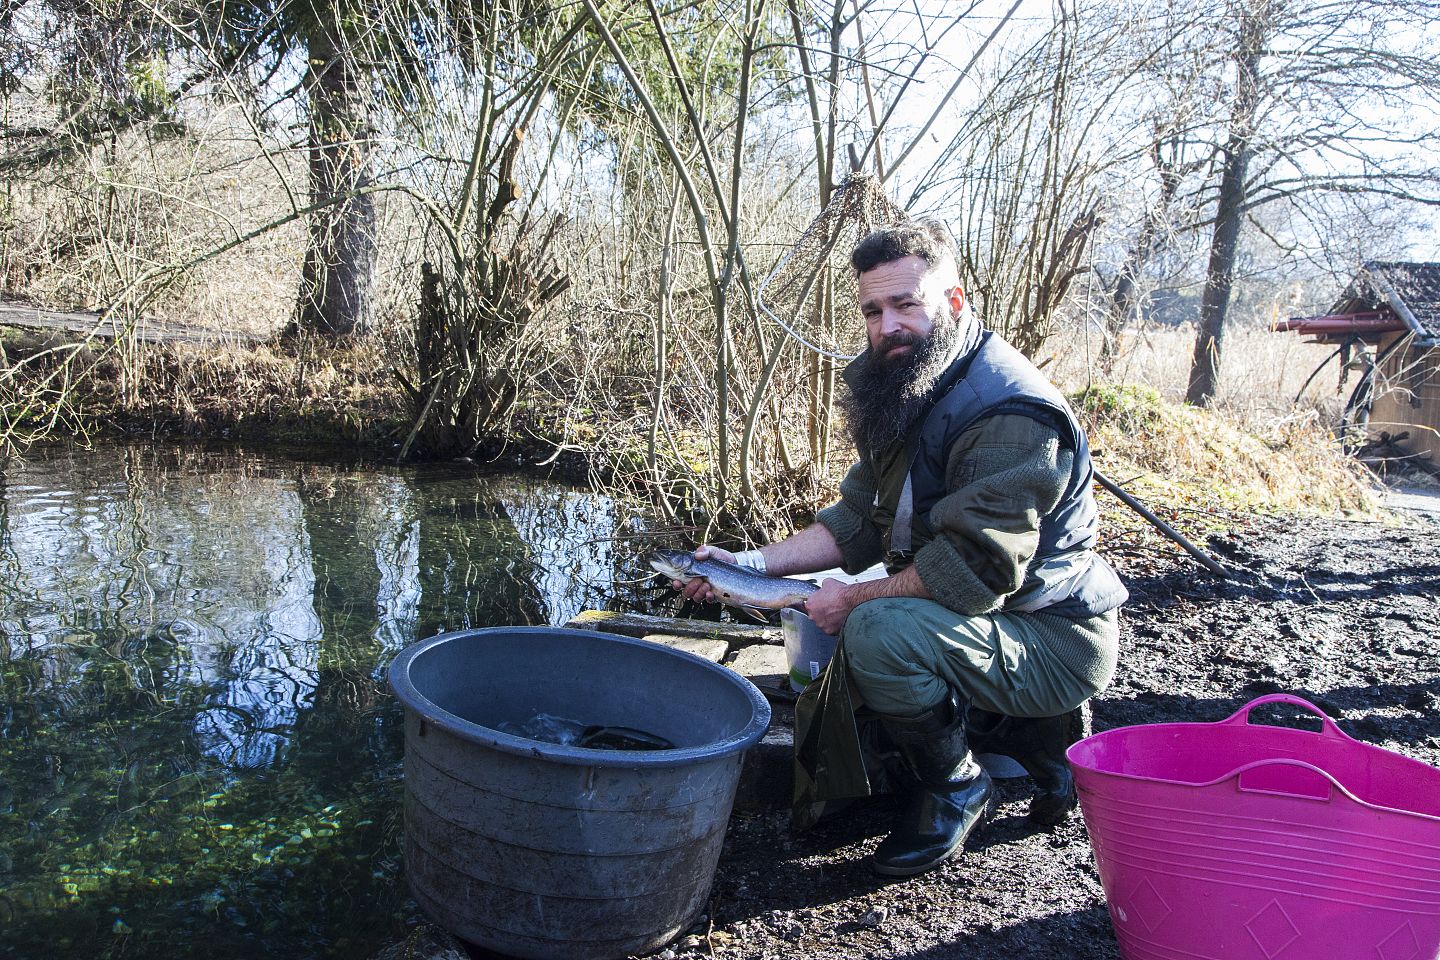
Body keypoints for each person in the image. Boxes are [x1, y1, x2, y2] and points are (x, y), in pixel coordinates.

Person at [678, 220, 1127, 877]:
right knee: (872, 621)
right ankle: (1026, 733)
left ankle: (957, 783)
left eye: (906, 304)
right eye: (873, 310)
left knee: (879, 628)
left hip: (1057, 638)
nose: (888, 325)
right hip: (998, 619)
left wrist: (850, 599)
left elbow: (971, 573)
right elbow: (858, 520)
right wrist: (744, 566)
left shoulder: (1011, 415)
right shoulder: (914, 382)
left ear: (954, 301)